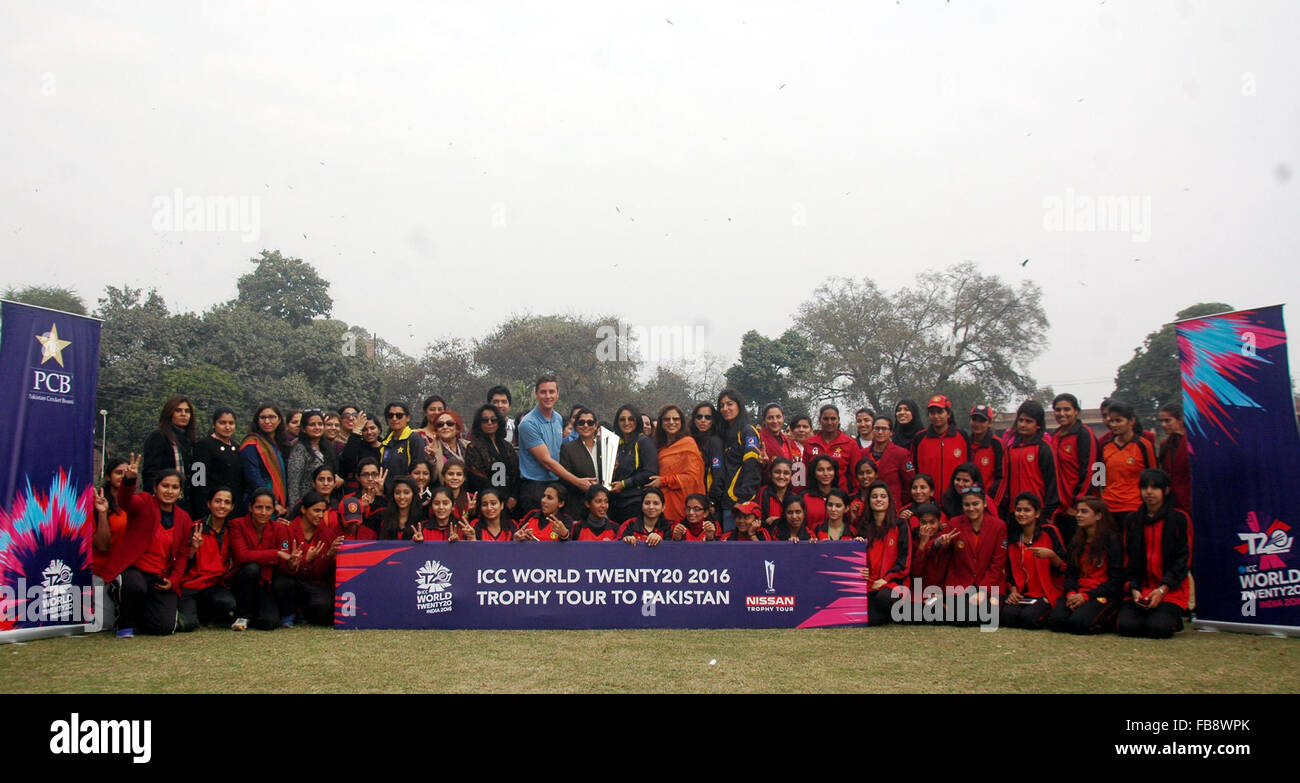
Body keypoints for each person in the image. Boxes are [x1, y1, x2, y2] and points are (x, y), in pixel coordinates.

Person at [103, 458, 195, 637]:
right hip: (133, 570)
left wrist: (174, 580)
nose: (169, 491)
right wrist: (129, 480)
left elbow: (183, 554)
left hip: (159, 576)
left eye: (174, 487)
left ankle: (140, 616)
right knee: (135, 586)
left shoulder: (184, 518)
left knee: (164, 628)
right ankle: (124, 623)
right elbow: (125, 502)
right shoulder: (145, 502)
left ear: (180, 491)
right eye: (165, 486)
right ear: (155, 488)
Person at [1117, 469, 1192, 639]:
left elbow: (1184, 560)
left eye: (1155, 487)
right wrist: (1134, 588)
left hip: (1170, 591)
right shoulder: (1132, 520)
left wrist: (1162, 589)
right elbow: (1128, 559)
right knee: (1126, 627)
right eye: (1144, 487)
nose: (1149, 492)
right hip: (1140, 590)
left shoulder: (1180, 519)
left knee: (1158, 629)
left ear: (1165, 490)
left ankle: (1172, 617)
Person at [519, 376, 597, 514]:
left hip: (556, 484)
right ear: (536, 394)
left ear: (557, 394)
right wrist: (577, 481)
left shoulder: (558, 418)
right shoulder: (528, 423)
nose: (548, 396)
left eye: (551, 391)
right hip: (535, 486)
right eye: (543, 392)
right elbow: (547, 461)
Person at [1047, 497, 1124, 634]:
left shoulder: (1112, 541)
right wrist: (1071, 593)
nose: (1078, 515)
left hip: (1100, 593)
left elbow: (1115, 580)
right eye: (1078, 511)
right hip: (1078, 592)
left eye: (1084, 512)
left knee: (1079, 624)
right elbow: (1070, 574)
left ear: (1098, 516)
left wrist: (1087, 596)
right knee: (1056, 621)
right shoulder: (1076, 541)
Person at [229, 487, 293, 631]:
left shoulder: (280, 529)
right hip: (242, 580)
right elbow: (242, 556)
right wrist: (275, 554)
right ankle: (242, 614)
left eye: (268, 508)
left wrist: (292, 562)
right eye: (259, 507)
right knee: (252, 568)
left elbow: (285, 552)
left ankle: (254, 613)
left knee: (269, 623)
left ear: (273, 510)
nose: (263, 512)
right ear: (250, 507)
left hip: (265, 583)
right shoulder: (237, 525)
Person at [938, 486, 1007, 619]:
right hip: (961, 584)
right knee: (963, 617)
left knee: (988, 615)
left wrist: (983, 591)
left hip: (989, 584)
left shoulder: (998, 526)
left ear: (985, 504)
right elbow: (936, 545)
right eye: (966, 505)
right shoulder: (955, 523)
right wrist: (939, 543)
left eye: (975, 504)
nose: (971, 508)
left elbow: (997, 564)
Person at [1001, 492, 1066, 630]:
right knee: (1007, 615)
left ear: (1037, 514)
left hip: (1046, 592)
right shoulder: (1013, 540)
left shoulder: (1050, 532)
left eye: (1027, 510)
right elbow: (1010, 573)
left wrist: (1051, 556)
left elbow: (1065, 567)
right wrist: (1013, 591)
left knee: (1028, 619)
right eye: (1019, 510)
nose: (1022, 514)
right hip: (1023, 594)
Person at [176, 487, 237, 632]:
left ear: (232, 507)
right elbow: (181, 561)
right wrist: (193, 549)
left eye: (227, 502)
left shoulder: (233, 529)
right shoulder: (195, 528)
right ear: (209, 504)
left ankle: (206, 615)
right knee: (188, 625)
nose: (222, 506)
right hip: (191, 584)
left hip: (215, 584)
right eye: (218, 501)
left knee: (227, 604)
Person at [280, 491, 343, 626]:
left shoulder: (325, 533)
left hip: (313, 583)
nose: (320, 515)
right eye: (316, 511)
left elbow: (319, 573)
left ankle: (304, 613)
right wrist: (305, 560)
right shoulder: (288, 529)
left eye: (323, 511)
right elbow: (283, 566)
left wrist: (329, 555)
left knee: (325, 606)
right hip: (292, 580)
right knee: (284, 583)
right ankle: (288, 614)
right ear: (303, 509)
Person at [855, 481, 911, 625]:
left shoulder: (900, 525)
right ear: (869, 501)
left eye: (883, 496)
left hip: (893, 582)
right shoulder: (863, 526)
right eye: (874, 496)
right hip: (869, 584)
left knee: (883, 599)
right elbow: (858, 560)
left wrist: (886, 579)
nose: (878, 499)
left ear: (889, 500)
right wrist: (861, 568)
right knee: (872, 619)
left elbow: (905, 560)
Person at [1001, 401, 1060, 523]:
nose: (1023, 424)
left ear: (1038, 425)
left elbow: (1052, 483)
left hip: (1037, 512)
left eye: (1028, 421)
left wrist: (1048, 513)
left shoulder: (1044, 448)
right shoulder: (1011, 448)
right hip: (1014, 511)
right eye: (1021, 420)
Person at [1050, 393, 1097, 543]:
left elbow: (1091, 470)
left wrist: (1078, 504)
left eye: (1067, 409)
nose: (1062, 414)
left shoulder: (1084, 433)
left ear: (1076, 411)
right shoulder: (1056, 435)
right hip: (1060, 507)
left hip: (1078, 507)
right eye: (1058, 410)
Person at [1099, 401, 1157, 517]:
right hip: (1109, 507)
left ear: (1131, 421)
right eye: (1111, 421)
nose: (1114, 425)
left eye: (1118, 420)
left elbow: (1153, 475)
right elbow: (1098, 478)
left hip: (1135, 507)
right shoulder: (1104, 446)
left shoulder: (1144, 445)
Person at [140, 395, 197, 513]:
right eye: (178, 410)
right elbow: (150, 473)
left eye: (187, 411)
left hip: (185, 502)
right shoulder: (159, 437)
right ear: (169, 413)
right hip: (162, 501)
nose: (183, 414)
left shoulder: (191, 441)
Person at [91, 458, 130, 630]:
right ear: (108, 477)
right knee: (104, 626)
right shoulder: (98, 504)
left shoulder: (135, 503)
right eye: (118, 473)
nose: (122, 477)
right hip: (102, 572)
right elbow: (102, 545)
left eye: (126, 473)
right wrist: (102, 514)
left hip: (127, 572)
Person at [715, 389, 763, 530]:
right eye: (721, 405)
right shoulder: (724, 434)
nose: (725, 409)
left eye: (729, 404)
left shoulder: (748, 431)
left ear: (739, 406)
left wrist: (742, 501)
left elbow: (752, 468)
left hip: (739, 506)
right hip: (724, 503)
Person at [649, 404, 705, 523]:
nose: (671, 422)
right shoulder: (658, 446)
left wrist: (664, 481)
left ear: (681, 422)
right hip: (660, 503)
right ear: (661, 423)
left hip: (681, 502)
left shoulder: (688, 443)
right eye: (667, 419)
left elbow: (693, 478)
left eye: (675, 419)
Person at [465, 403, 521, 514]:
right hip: (488, 504)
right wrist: (502, 499)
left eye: (494, 419)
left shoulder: (507, 446)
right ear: (479, 423)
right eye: (485, 420)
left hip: (512, 503)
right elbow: (478, 479)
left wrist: (513, 497)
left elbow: (516, 474)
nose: (490, 423)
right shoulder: (473, 447)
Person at [910, 394, 970, 491]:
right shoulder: (919, 438)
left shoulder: (962, 436)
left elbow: (969, 467)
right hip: (927, 499)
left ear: (948, 414)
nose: (936, 416)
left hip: (955, 498)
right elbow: (911, 467)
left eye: (940, 412)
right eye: (932, 413)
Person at [192, 406, 245, 516]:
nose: (227, 427)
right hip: (211, 507)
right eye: (222, 423)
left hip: (233, 508)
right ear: (214, 424)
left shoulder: (236, 447)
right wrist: (203, 508)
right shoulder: (203, 445)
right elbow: (198, 481)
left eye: (231, 423)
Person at [609, 404, 658, 521]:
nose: (626, 423)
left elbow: (650, 472)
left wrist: (624, 484)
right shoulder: (616, 444)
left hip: (635, 502)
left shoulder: (644, 442)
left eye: (631, 419)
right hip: (615, 502)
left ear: (637, 421)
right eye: (622, 419)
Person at [240, 403, 289, 517]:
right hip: (259, 501)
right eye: (263, 418)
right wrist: (272, 502)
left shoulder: (279, 445)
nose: (267, 421)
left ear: (279, 420)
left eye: (271, 417)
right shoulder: (251, 444)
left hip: (279, 501)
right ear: (257, 420)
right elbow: (253, 475)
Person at [286, 409, 339, 511]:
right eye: (312, 424)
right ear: (304, 429)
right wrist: (295, 510)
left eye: (320, 424)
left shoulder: (327, 448)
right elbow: (293, 484)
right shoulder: (299, 450)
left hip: (327, 504)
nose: (317, 427)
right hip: (306, 505)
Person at [804, 404, 860, 494]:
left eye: (833, 419)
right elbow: (806, 474)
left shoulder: (850, 443)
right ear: (819, 420)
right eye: (826, 419)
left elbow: (856, 475)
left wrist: (854, 497)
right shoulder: (810, 443)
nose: (829, 422)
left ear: (838, 420)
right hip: (815, 495)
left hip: (841, 497)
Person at [559, 406, 602, 518]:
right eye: (581, 422)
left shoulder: (605, 447)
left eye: (590, 422)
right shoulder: (567, 448)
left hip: (604, 506)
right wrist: (581, 484)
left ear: (596, 426)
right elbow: (564, 478)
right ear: (576, 426)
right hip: (578, 505)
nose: (586, 425)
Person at [863, 417, 914, 506]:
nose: (880, 432)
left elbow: (910, 482)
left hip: (892, 507)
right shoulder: (862, 454)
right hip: (867, 506)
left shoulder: (902, 454)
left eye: (884, 429)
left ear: (891, 432)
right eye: (877, 428)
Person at [908, 503, 951, 603]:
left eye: (932, 522)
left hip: (940, 591)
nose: (928, 527)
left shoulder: (944, 540)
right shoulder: (913, 539)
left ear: (939, 523)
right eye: (923, 523)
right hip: (918, 590)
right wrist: (923, 543)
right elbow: (916, 572)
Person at [967, 405, 1005, 511]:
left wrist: (991, 502)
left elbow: (1001, 477)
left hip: (989, 503)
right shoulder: (966, 442)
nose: (977, 424)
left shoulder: (997, 444)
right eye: (974, 420)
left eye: (982, 420)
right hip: (967, 502)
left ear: (990, 423)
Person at [1157, 402, 1192, 513]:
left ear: (1180, 420)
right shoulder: (1165, 444)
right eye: (1161, 421)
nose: (1163, 425)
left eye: (1167, 421)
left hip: (1191, 498)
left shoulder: (1193, 442)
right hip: (1171, 501)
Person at [689, 401, 727, 504]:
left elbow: (718, 473)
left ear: (713, 420)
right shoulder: (689, 440)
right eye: (699, 417)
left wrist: (712, 501)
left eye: (708, 417)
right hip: (690, 496)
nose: (703, 420)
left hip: (707, 499)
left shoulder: (715, 441)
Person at [425, 409, 471, 483]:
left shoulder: (469, 445)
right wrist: (431, 460)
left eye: (450, 423)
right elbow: (432, 479)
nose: (445, 427)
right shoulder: (431, 449)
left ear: (457, 428)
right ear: (436, 430)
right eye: (440, 424)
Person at [338, 411, 381, 488]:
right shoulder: (356, 446)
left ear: (379, 429)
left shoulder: (387, 448)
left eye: (372, 428)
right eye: (364, 430)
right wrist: (356, 430)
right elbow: (346, 458)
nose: (369, 432)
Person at [379, 401, 422, 477]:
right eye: (390, 415)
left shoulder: (414, 438)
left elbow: (419, 467)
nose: (394, 419)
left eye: (399, 415)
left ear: (408, 418)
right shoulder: (386, 443)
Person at [757, 458, 796, 532]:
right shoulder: (762, 493)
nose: (781, 476)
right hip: (766, 540)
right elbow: (758, 521)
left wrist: (777, 520)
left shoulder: (794, 497)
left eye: (786, 473)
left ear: (791, 476)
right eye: (777, 472)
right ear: (770, 474)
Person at [379, 477, 424, 541]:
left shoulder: (422, 518)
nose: (402, 497)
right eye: (397, 493)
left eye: (406, 493)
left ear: (413, 494)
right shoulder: (385, 517)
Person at [804, 454, 840, 533]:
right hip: (811, 542)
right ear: (814, 473)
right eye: (820, 470)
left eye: (829, 469)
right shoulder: (805, 497)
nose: (826, 473)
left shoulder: (841, 496)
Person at [758, 403, 793, 482]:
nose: (775, 421)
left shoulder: (786, 440)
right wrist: (763, 466)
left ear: (783, 418)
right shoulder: (759, 440)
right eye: (770, 418)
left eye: (778, 417)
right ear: (764, 421)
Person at [846, 456, 880, 527]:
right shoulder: (850, 500)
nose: (865, 476)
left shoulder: (883, 499)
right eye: (861, 473)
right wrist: (852, 518)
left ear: (876, 474)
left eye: (869, 472)